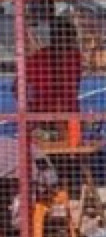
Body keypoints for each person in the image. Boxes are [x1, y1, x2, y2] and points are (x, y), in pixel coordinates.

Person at [26, 13, 83, 141]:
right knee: (71, 138)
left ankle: (48, 133)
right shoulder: (75, 57)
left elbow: (19, 87)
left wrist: (30, 104)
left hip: (41, 112)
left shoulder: (39, 56)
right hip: (68, 112)